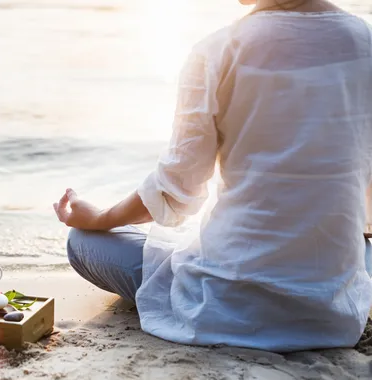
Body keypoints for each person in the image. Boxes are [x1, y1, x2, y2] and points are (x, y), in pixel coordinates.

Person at [53, 0, 372, 352]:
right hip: (333, 313)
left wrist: (99, 217)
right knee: (362, 249)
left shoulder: (218, 50)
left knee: (83, 243)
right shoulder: (364, 41)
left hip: (226, 303)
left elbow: (175, 190)